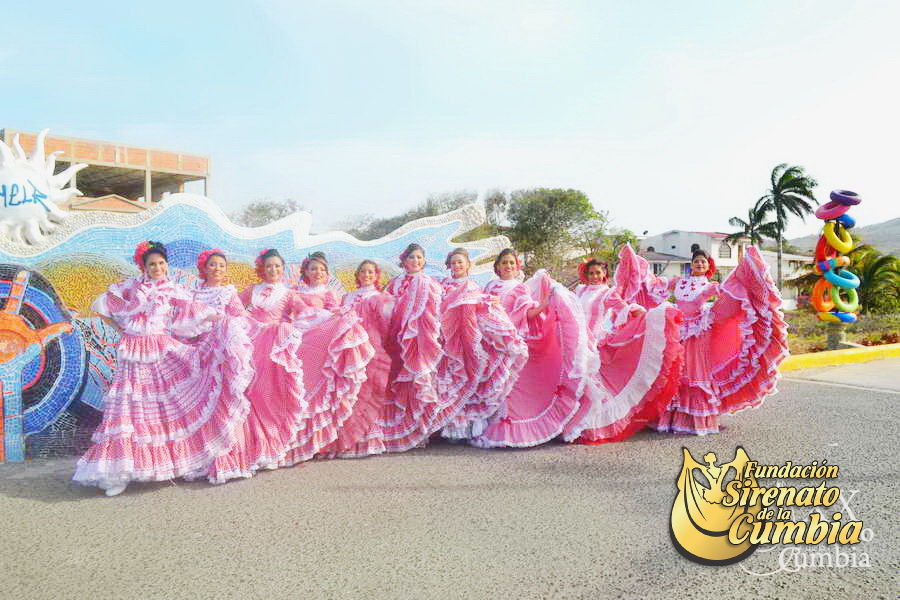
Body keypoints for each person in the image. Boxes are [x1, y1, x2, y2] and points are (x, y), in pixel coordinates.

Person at [73, 241, 250, 496]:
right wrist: (121, 329)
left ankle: (164, 464)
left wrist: (225, 321)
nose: (157, 268)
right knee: (128, 409)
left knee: (162, 407)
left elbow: (197, 310)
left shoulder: (173, 289)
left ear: (166, 265)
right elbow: (103, 304)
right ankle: (118, 473)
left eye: (161, 263)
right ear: (144, 267)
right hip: (132, 352)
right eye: (152, 264)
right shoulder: (131, 286)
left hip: (160, 349)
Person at [616, 245, 788, 435]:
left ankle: (694, 420)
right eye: (696, 261)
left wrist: (744, 272)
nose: (699, 264)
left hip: (698, 333)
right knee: (674, 371)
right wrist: (636, 265)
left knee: (694, 371)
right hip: (677, 331)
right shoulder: (679, 282)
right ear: (691, 265)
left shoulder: (709, 286)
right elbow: (653, 284)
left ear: (708, 266)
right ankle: (669, 417)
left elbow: (729, 293)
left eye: (703, 262)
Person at [470, 249, 595, 448]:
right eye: (504, 263)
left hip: (511, 342)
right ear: (497, 267)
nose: (508, 266)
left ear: (517, 266)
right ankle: (488, 425)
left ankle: (508, 431)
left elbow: (528, 314)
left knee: (510, 387)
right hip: (490, 343)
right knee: (492, 385)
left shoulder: (519, 288)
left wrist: (546, 302)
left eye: (511, 263)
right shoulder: (490, 286)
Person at [572, 258, 684, 444]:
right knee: (577, 383)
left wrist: (649, 318)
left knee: (592, 385)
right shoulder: (579, 290)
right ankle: (576, 422)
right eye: (591, 273)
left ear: (604, 274)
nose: (594, 277)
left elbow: (625, 309)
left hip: (595, 341)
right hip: (578, 341)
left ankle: (592, 426)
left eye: (598, 273)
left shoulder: (608, 293)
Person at [438, 248, 527, 440]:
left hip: (467, 340)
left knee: (467, 379)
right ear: (449, 266)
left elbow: (481, 311)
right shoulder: (443, 285)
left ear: (468, 265)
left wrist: (501, 329)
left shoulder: (473, 286)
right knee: (449, 380)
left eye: (460, 262)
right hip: (446, 339)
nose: (456, 266)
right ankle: (449, 428)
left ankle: (467, 428)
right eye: (453, 263)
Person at [378, 243, 456, 452]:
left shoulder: (429, 282)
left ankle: (421, 431)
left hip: (420, 341)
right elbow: (384, 305)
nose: (415, 261)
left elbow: (442, 305)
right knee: (399, 385)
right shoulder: (394, 283)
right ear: (404, 261)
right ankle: (404, 430)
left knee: (419, 381)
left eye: (419, 257)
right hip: (397, 339)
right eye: (411, 257)